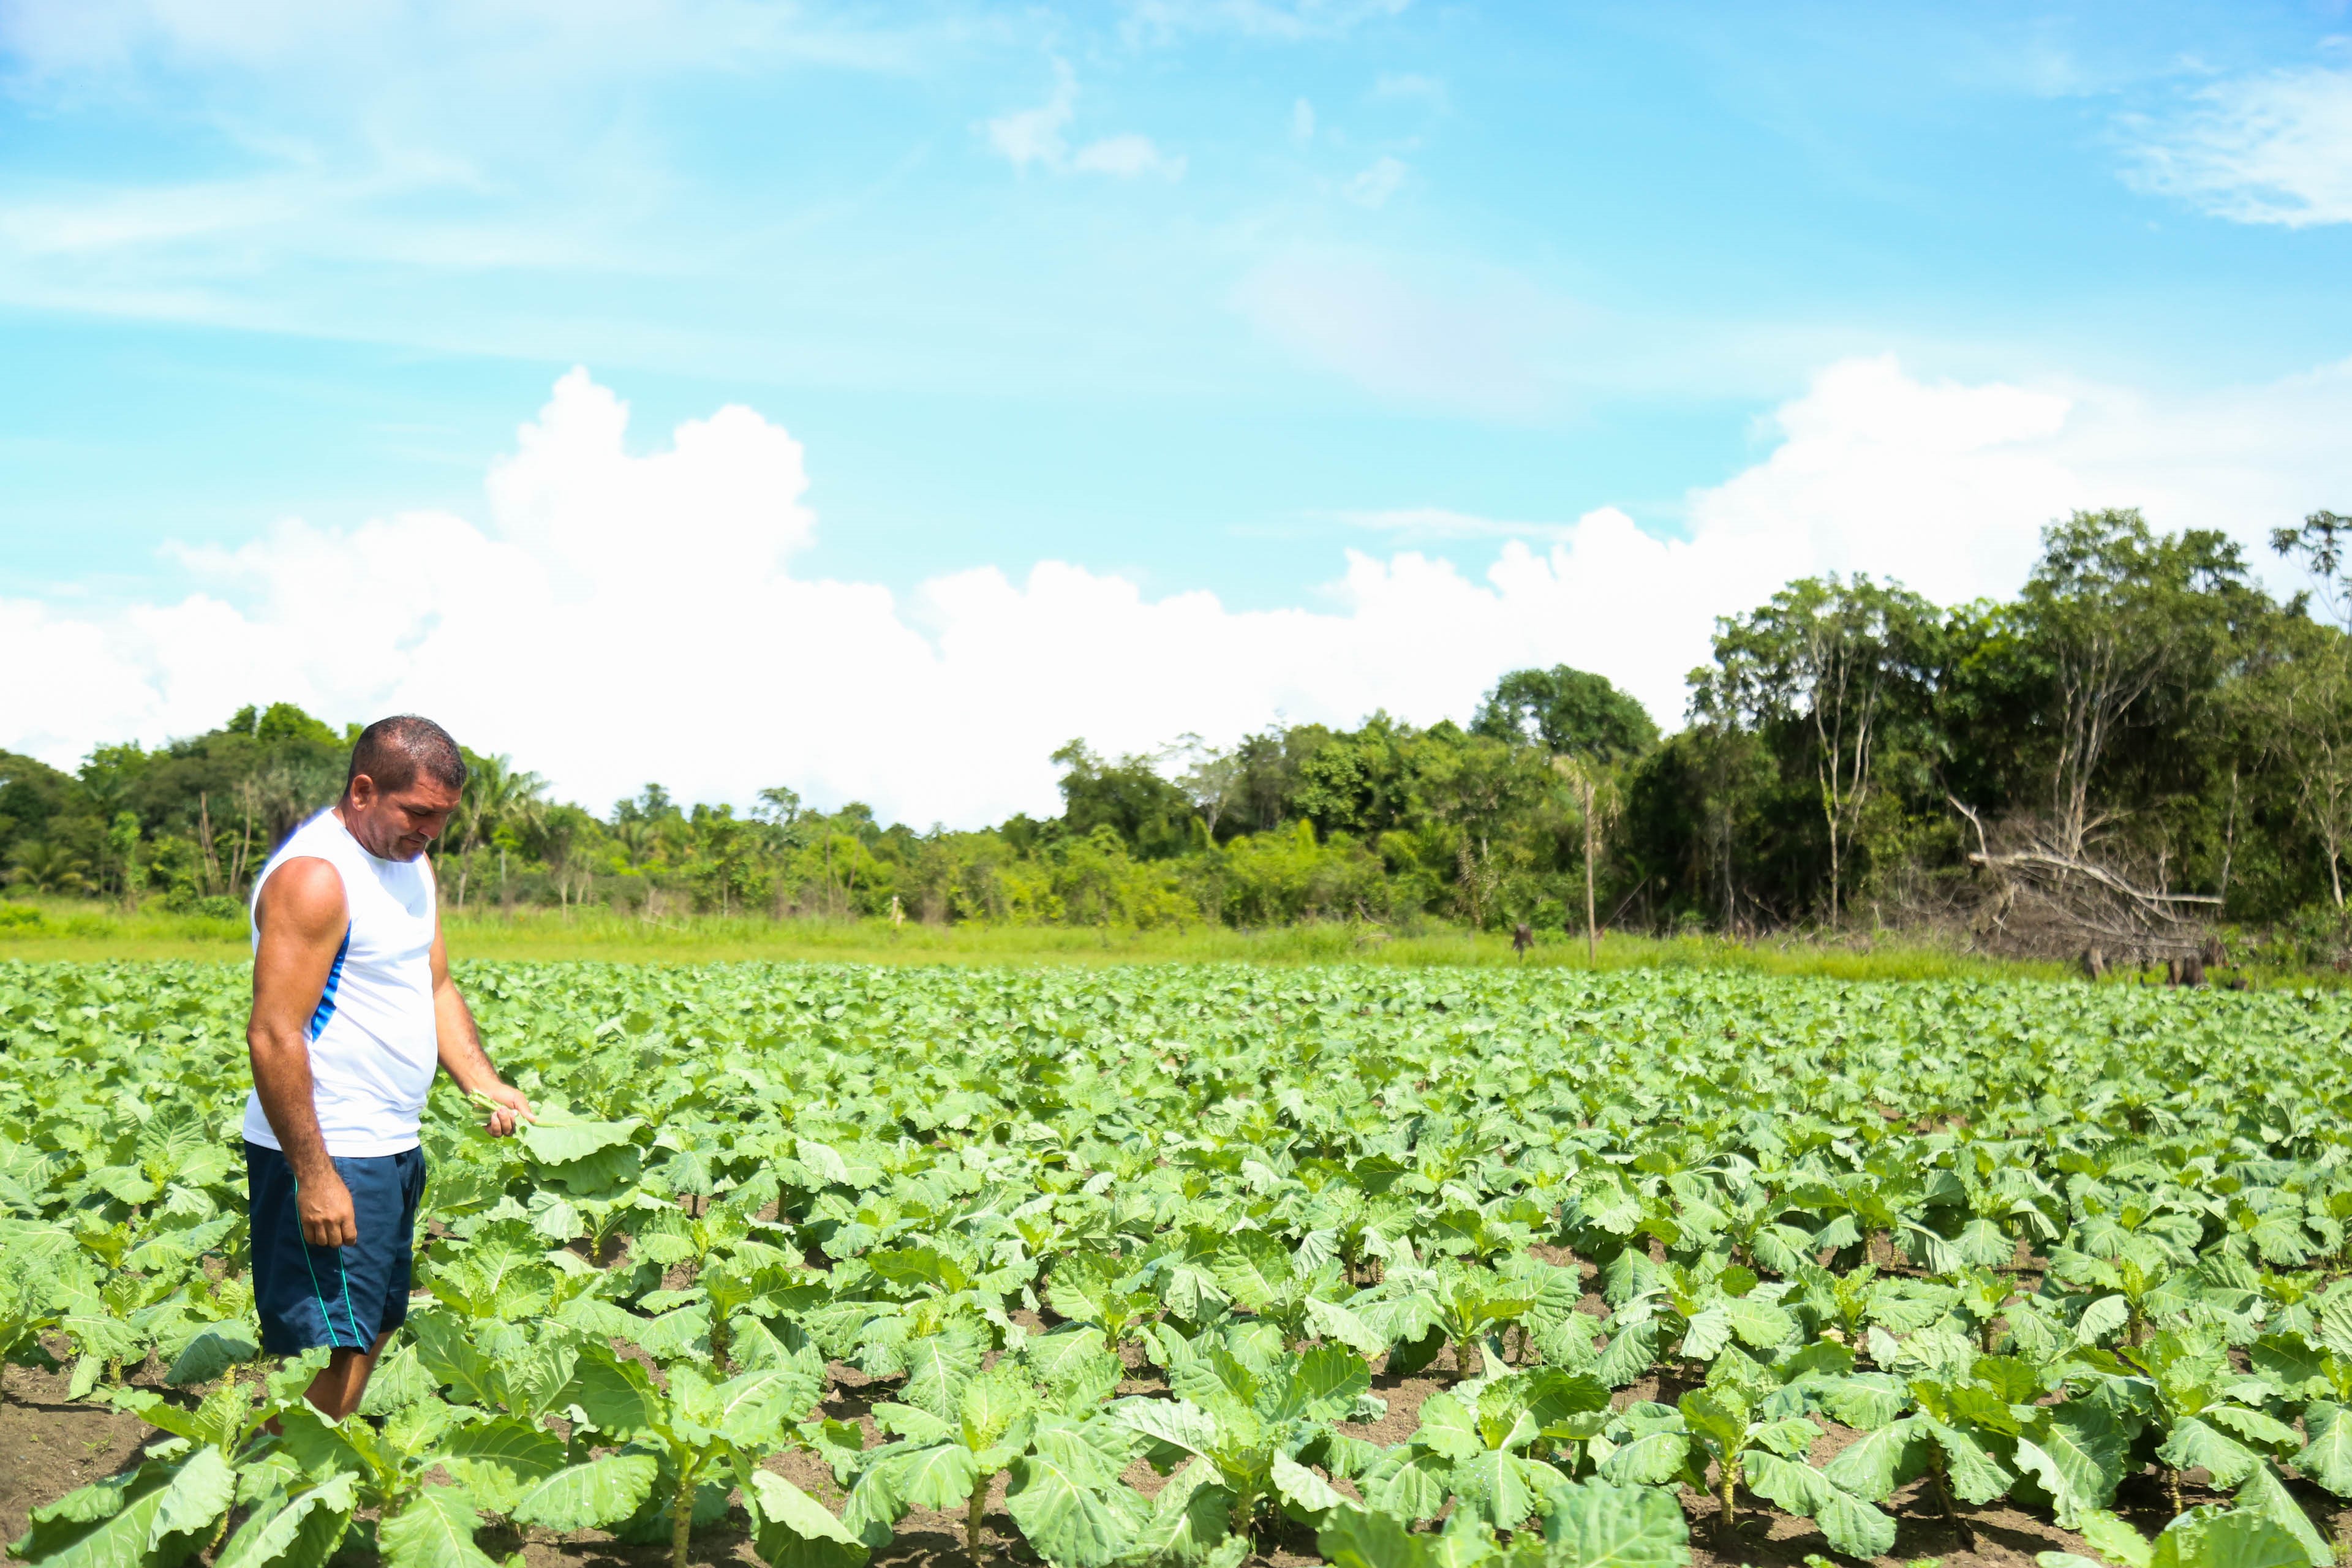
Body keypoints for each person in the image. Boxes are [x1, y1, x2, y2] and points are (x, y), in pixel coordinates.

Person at [243, 714, 532, 1419]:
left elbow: (432, 984)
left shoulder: (412, 864)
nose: (431, 831)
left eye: (443, 818)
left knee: (370, 1326)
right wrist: (315, 1174)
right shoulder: (317, 878)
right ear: (365, 789)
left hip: (392, 1141)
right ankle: (255, 1492)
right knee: (340, 1345)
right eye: (419, 813)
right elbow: (274, 1035)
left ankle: (282, 1480)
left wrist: (482, 1081)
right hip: (333, 1142)